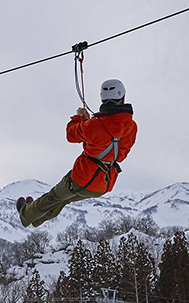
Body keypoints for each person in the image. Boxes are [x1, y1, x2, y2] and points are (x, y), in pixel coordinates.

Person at [17, 79, 137, 228]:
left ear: (102, 98)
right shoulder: (132, 127)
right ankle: (36, 219)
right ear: (123, 98)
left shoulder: (93, 125)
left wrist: (79, 117)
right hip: (105, 184)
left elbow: (71, 135)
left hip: (81, 177)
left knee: (54, 196)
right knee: (63, 199)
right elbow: (119, 155)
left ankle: (25, 214)